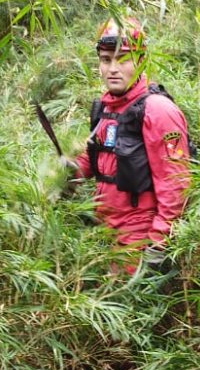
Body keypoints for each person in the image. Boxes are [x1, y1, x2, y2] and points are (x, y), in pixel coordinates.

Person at [72, 17, 190, 274]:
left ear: (140, 61)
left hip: (140, 237)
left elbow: (176, 185)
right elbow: (95, 157)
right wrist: (66, 174)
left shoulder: (157, 111)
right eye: (106, 60)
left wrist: (158, 244)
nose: (113, 68)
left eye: (122, 59)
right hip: (106, 229)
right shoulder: (106, 107)